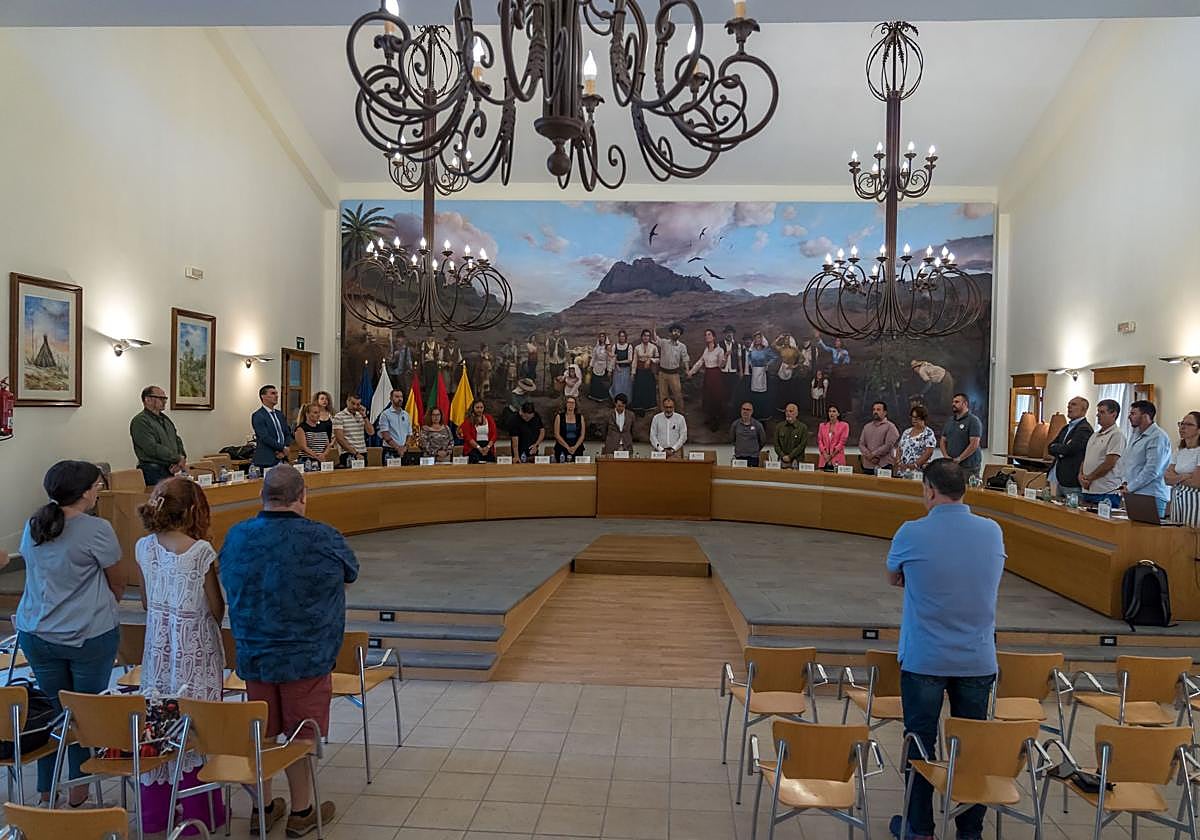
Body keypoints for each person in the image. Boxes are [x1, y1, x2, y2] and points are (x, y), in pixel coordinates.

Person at [219, 465, 355, 836]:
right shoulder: (323, 537)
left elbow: (226, 577)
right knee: (302, 734)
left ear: (262, 496)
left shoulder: (238, 535)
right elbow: (350, 575)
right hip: (306, 654)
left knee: (261, 731)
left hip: (255, 652)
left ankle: (261, 809)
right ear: (302, 496)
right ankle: (301, 811)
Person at [885, 459, 1005, 840]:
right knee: (972, 745)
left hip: (925, 656)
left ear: (930, 490)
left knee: (920, 742)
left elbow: (893, 575)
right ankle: (969, 830)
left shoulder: (911, 532)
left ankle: (920, 829)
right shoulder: (992, 531)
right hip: (977, 657)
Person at [15, 461, 122, 806]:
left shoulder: (34, 523)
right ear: (85, 492)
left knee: (51, 712)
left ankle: (47, 792)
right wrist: (103, 604)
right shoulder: (97, 528)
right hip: (87, 633)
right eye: (97, 486)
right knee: (84, 713)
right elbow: (118, 581)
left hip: (37, 631)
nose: (99, 491)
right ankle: (79, 791)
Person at [134, 478, 225, 834]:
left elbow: (145, 601)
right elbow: (216, 609)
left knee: (158, 726)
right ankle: (200, 817)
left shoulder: (143, 547)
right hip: (195, 653)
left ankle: (157, 814)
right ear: (192, 510)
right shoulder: (200, 552)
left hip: (158, 651)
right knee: (196, 730)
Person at [1121, 399, 1172, 516]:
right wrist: (1125, 482)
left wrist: (1130, 487)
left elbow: (1152, 470)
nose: (1129, 417)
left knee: (1147, 528)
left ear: (1145, 416)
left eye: (1133, 414)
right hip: (1134, 493)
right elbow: (1129, 463)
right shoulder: (1136, 434)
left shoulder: (1158, 436)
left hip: (1151, 495)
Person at [130, 385, 187, 486]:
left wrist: (181, 458)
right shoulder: (140, 421)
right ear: (147, 400)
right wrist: (177, 458)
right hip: (153, 471)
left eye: (165, 398)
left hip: (170, 469)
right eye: (161, 398)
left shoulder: (165, 419)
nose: (164, 401)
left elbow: (177, 440)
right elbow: (151, 448)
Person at [1079, 399, 1125, 507]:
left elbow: (1109, 463)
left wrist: (1089, 478)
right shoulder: (1094, 435)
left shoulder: (1117, 435)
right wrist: (1080, 475)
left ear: (1113, 414)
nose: (1098, 415)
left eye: (1102, 412)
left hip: (1106, 491)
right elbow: (1086, 458)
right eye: (1098, 412)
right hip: (1088, 489)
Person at [1047, 396, 1093, 497]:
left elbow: (1070, 449)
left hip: (1070, 481)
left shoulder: (1084, 429)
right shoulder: (1066, 428)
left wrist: (1060, 449)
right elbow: (1050, 447)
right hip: (1056, 478)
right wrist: (1061, 449)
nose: (1069, 407)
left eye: (1073, 404)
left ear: (1083, 409)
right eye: (1068, 405)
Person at [689, 329, 727, 431]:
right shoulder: (706, 350)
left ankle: (716, 421)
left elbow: (721, 365)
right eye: (706, 335)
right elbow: (700, 362)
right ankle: (710, 418)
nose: (707, 336)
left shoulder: (719, 350)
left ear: (714, 337)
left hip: (716, 376)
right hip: (708, 376)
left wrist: (725, 358)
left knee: (716, 397)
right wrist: (691, 372)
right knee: (708, 397)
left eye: (709, 334)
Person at [1166, 411, 1200, 526]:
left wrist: (1175, 478)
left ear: (1199, 430)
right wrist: (1185, 476)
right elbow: (1166, 478)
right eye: (1181, 423)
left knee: (1191, 533)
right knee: (1176, 532)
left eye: (1189, 424)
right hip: (1177, 499)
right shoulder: (1179, 450)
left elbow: (1196, 482)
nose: (1182, 427)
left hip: (1195, 501)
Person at [939, 392, 983, 477]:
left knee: (966, 486)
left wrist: (960, 458)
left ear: (965, 404)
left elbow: (974, 443)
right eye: (953, 402)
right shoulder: (950, 421)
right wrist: (946, 456)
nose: (953, 404)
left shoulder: (973, 421)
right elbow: (943, 440)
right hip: (951, 466)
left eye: (957, 402)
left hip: (968, 467)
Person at [653, 323, 691, 413]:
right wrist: (653, 328)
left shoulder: (682, 346)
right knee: (663, 394)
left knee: (677, 394)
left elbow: (685, 359)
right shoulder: (664, 342)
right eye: (674, 331)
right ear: (670, 332)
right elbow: (656, 338)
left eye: (678, 332)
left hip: (674, 374)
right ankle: (663, 413)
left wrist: (687, 370)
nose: (676, 333)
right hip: (662, 373)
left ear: (680, 334)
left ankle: (681, 412)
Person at [332, 393, 374, 467]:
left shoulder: (360, 415)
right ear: (347, 402)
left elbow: (371, 432)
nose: (355, 406)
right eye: (353, 403)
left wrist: (364, 416)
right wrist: (355, 453)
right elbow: (340, 439)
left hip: (362, 452)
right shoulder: (339, 416)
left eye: (358, 404)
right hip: (348, 453)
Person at [859, 401, 900, 474]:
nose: (875, 412)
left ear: (885, 412)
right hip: (868, 465)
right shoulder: (867, 426)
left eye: (878, 410)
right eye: (874, 410)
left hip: (884, 465)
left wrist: (873, 454)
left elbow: (888, 445)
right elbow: (861, 444)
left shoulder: (891, 427)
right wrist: (869, 456)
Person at [895, 405, 937, 475]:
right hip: (903, 470)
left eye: (917, 418)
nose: (914, 420)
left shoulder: (928, 433)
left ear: (923, 418)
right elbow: (899, 448)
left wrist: (915, 465)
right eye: (912, 417)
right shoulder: (906, 432)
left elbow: (929, 452)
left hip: (918, 472)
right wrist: (899, 463)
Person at [294, 401, 335, 469]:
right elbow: (303, 447)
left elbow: (327, 445)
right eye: (315, 413)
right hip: (307, 461)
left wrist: (323, 455)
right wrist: (316, 456)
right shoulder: (301, 428)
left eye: (319, 412)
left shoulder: (322, 427)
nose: (318, 415)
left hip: (321, 460)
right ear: (307, 414)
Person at [376, 388, 412, 459]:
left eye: (401, 397)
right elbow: (385, 435)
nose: (400, 399)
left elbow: (409, 434)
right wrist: (398, 448)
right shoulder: (385, 414)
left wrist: (405, 447)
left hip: (404, 450)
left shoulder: (406, 415)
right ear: (391, 399)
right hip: (390, 450)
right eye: (397, 397)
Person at [747, 332, 775, 420]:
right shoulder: (752, 350)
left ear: (761, 339)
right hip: (754, 373)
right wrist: (750, 364)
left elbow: (774, 357)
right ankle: (755, 413)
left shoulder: (766, 350)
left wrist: (767, 364)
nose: (757, 340)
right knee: (754, 394)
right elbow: (748, 357)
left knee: (762, 394)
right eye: (756, 338)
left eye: (759, 338)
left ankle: (763, 413)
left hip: (762, 373)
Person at [631, 329, 659, 415]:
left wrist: (650, 360)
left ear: (649, 337)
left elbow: (658, 359)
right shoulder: (637, 348)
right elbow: (635, 360)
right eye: (644, 335)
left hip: (649, 371)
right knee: (639, 388)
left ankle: (649, 406)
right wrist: (633, 373)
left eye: (648, 336)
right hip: (640, 371)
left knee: (649, 388)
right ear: (641, 337)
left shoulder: (653, 347)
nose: (646, 337)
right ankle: (639, 407)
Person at [730, 401, 766, 466]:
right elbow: (732, 440)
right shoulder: (735, 424)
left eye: (748, 410)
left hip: (753, 458)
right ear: (741, 410)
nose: (745, 411)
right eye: (743, 409)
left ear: (752, 412)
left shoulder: (758, 425)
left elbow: (763, 441)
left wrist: (755, 449)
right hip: (739, 457)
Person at [774, 403, 809, 468]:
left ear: (796, 413)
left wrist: (790, 456)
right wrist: (783, 456)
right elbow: (776, 444)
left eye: (791, 411)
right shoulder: (779, 427)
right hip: (782, 460)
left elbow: (802, 445)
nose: (788, 413)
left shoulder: (803, 428)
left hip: (797, 461)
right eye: (786, 411)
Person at [553, 396, 587, 462]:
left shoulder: (580, 417)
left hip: (577, 448)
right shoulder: (559, 417)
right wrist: (567, 447)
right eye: (568, 402)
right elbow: (557, 434)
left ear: (575, 405)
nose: (571, 404)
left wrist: (575, 447)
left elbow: (582, 435)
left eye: (572, 403)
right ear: (565, 404)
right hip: (562, 447)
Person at [720, 325, 743, 419]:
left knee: (734, 394)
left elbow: (739, 359)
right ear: (724, 334)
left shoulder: (737, 345)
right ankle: (723, 415)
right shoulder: (720, 344)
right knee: (724, 393)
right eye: (727, 332)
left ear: (733, 334)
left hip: (733, 372)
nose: (729, 334)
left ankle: (732, 415)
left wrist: (741, 371)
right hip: (723, 372)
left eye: (731, 332)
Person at [817, 404, 850, 469]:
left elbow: (842, 442)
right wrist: (825, 455)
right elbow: (819, 441)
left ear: (838, 414)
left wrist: (831, 456)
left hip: (837, 459)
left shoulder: (844, 426)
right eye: (830, 411)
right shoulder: (822, 426)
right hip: (824, 459)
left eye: (834, 411)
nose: (831, 413)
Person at [386, 332, 414, 397]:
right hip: (392, 372)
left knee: (402, 390)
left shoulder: (406, 349)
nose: (399, 339)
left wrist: (410, 368)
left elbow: (408, 360)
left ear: (403, 339)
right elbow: (388, 358)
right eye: (398, 338)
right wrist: (391, 358)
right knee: (393, 389)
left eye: (401, 338)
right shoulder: (393, 347)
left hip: (402, 373)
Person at [609, 330, 633, 402]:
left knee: (625, 386)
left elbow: (629, 360)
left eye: (623, 336)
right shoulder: (615, 346)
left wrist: (618, 362)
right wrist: (617, 365)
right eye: (620, 336)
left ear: (625, 337)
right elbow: (613, 358)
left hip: (626, 369)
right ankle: (616, 402)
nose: (622, 338)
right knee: (617, 386)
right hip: (617, 370)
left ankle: (625, 402)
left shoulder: (629, 346)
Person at [587, 333, 612, 402]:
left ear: (605, 338)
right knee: (595, 381)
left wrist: (609, 369)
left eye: (603, 336)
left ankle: (602, 396)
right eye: (600, 337)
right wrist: (590, 365)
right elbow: (593, 357)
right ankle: (594, 395)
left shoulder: (607, 348)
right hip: (596, 365)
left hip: (604, 366)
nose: (601, 338)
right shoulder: (596, 347)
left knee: (602, 382)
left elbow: (609, 359)